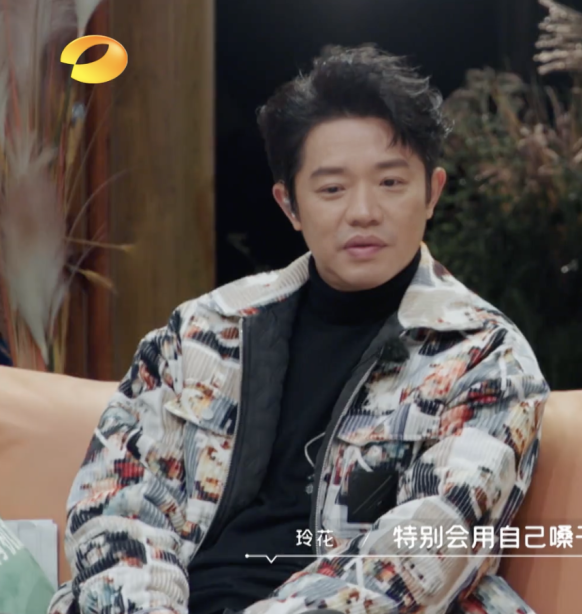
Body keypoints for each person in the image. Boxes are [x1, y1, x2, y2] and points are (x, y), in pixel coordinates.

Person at [48, 45, 549, 614]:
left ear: (432, 192)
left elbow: (422, 554)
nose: (363, 211)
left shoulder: (485, 357)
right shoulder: (204, 331)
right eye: (332, 189)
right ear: (289, 205)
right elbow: (116, 502)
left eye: (391, 182)